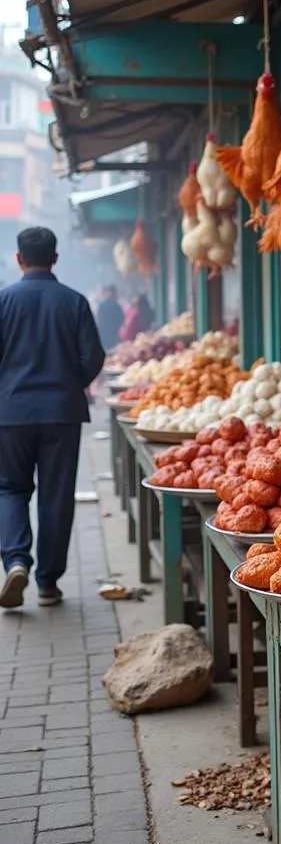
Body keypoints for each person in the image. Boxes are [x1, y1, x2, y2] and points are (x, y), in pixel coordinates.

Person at [0, 227, 105, 608]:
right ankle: (48, 583)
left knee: (11, 489)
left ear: (18, 258)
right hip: (62, 414)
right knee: (56, 495)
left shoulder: (3, 301)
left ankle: (15, 560)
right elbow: (93, 356)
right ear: (56, 258)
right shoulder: (74, 301)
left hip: (10, 414)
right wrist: (68, 384)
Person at [95, 284, 124, 352]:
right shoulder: (116, 305)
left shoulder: (102, 305)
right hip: (112, 335)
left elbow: (99, 319)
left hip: (103, 335)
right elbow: (121, 319)